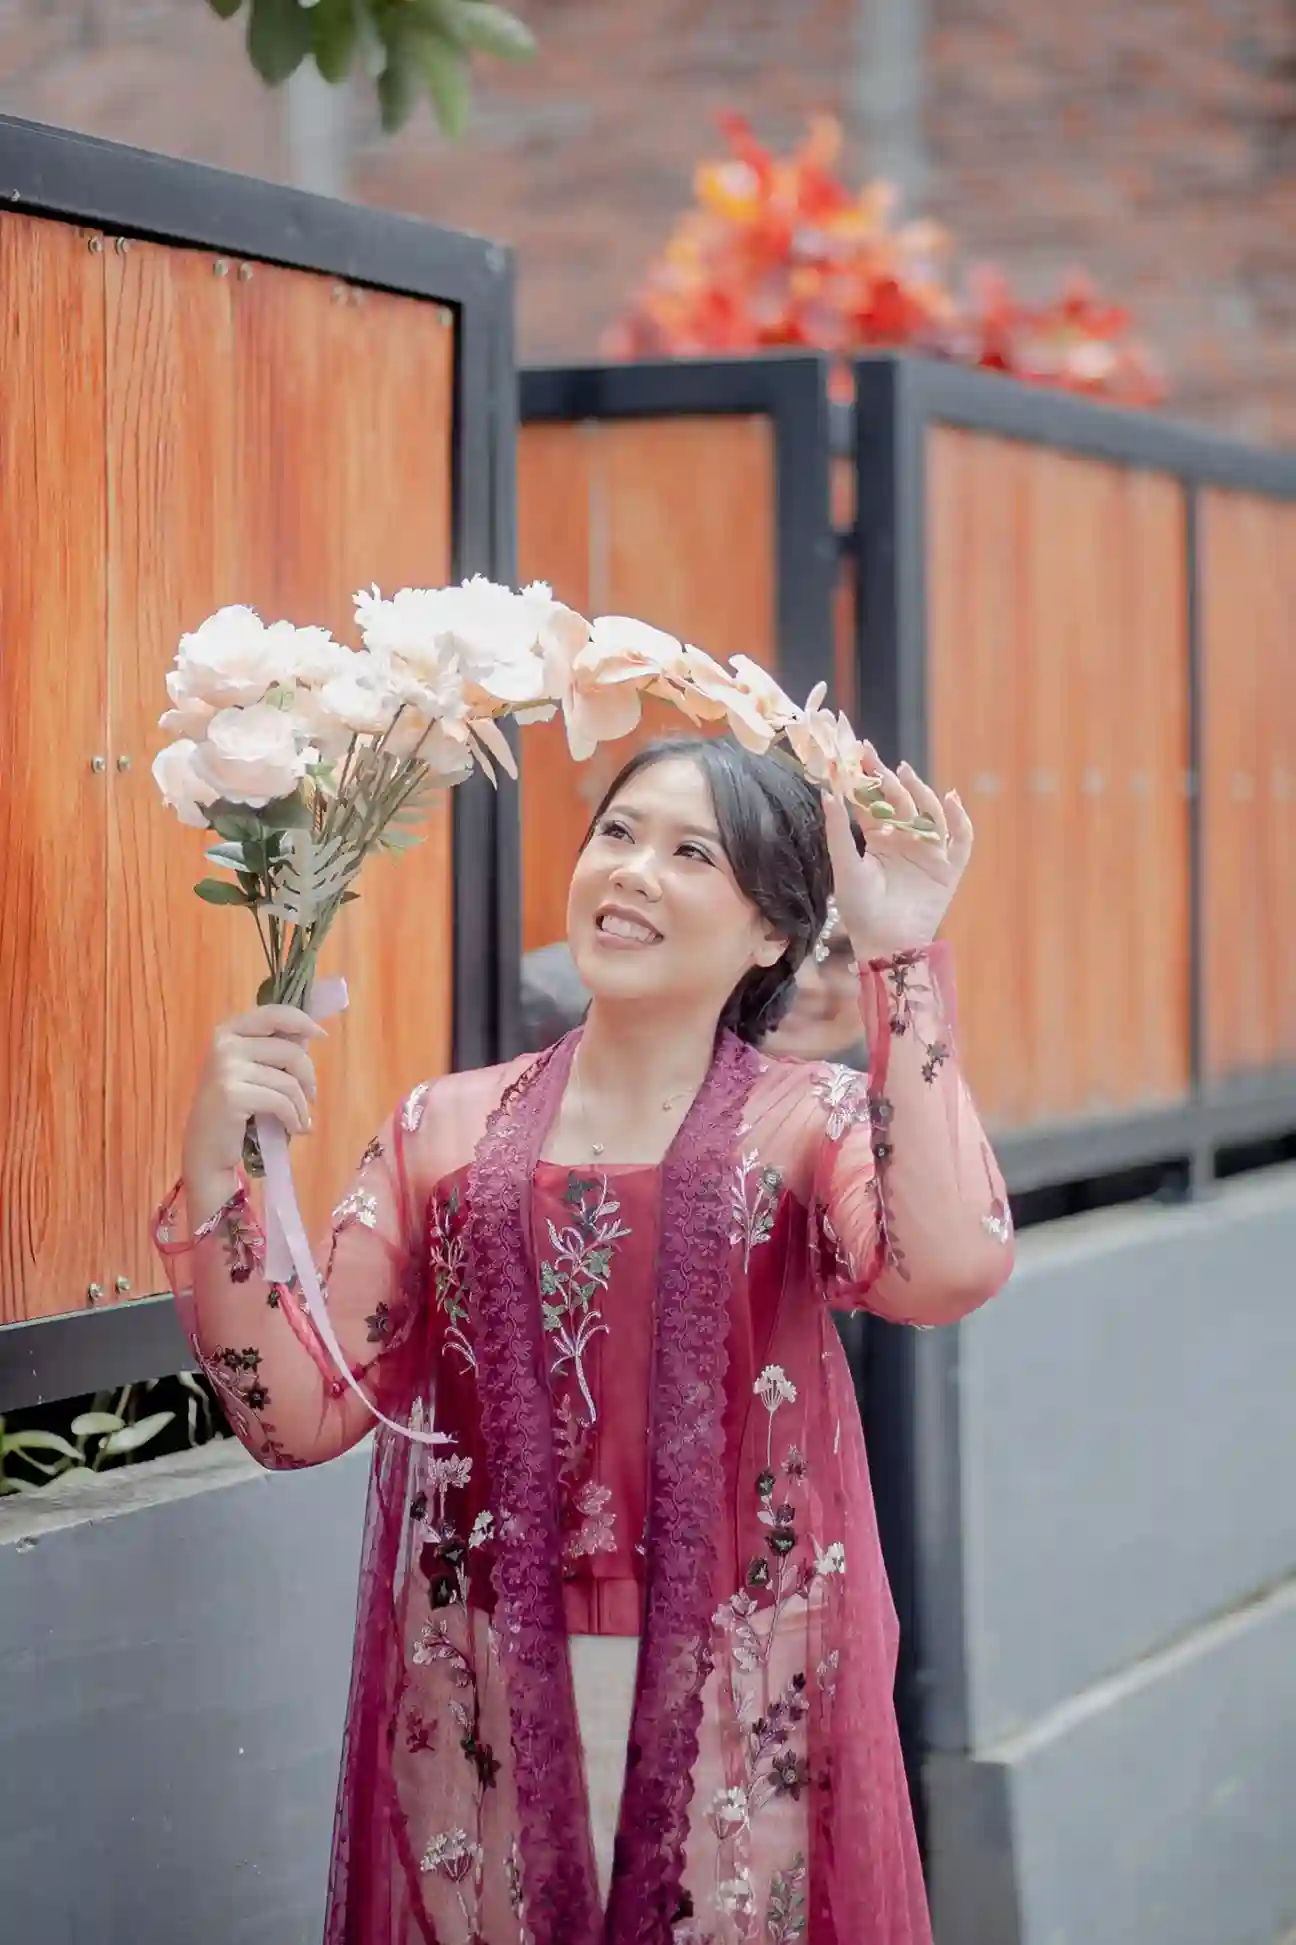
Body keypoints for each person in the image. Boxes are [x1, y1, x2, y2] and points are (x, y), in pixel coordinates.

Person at [156, 734, 1013, 1945]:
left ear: (772, 932)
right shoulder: (442, 1132)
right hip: (486, 1689)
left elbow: (951, 1265)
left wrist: (902, 960)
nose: (633, 870)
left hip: (741, 1692)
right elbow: (294, 1413)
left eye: (691, 852)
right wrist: (216, 1170)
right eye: (617, 832)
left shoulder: (809, 1123)